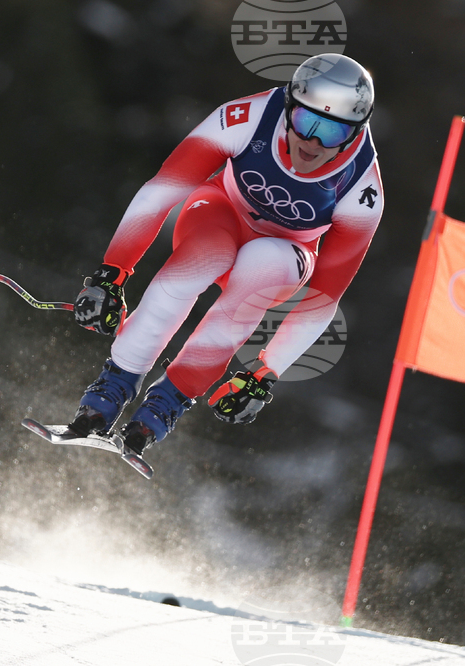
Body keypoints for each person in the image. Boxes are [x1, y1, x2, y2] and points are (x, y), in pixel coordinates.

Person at [68, 53, 384, 459]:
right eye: (306, 121)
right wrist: (112, 272)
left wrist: (264, 373)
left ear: (355, 132)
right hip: (219, 213)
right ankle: (113, 385)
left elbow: (323, 300)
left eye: (333, 131)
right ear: (289, 106)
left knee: (263, 264)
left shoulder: (362, 188)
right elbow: (162, 190)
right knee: (199, 261)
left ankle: (165, 403)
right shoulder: (249, 117)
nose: (313, 143)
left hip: (287, 251)